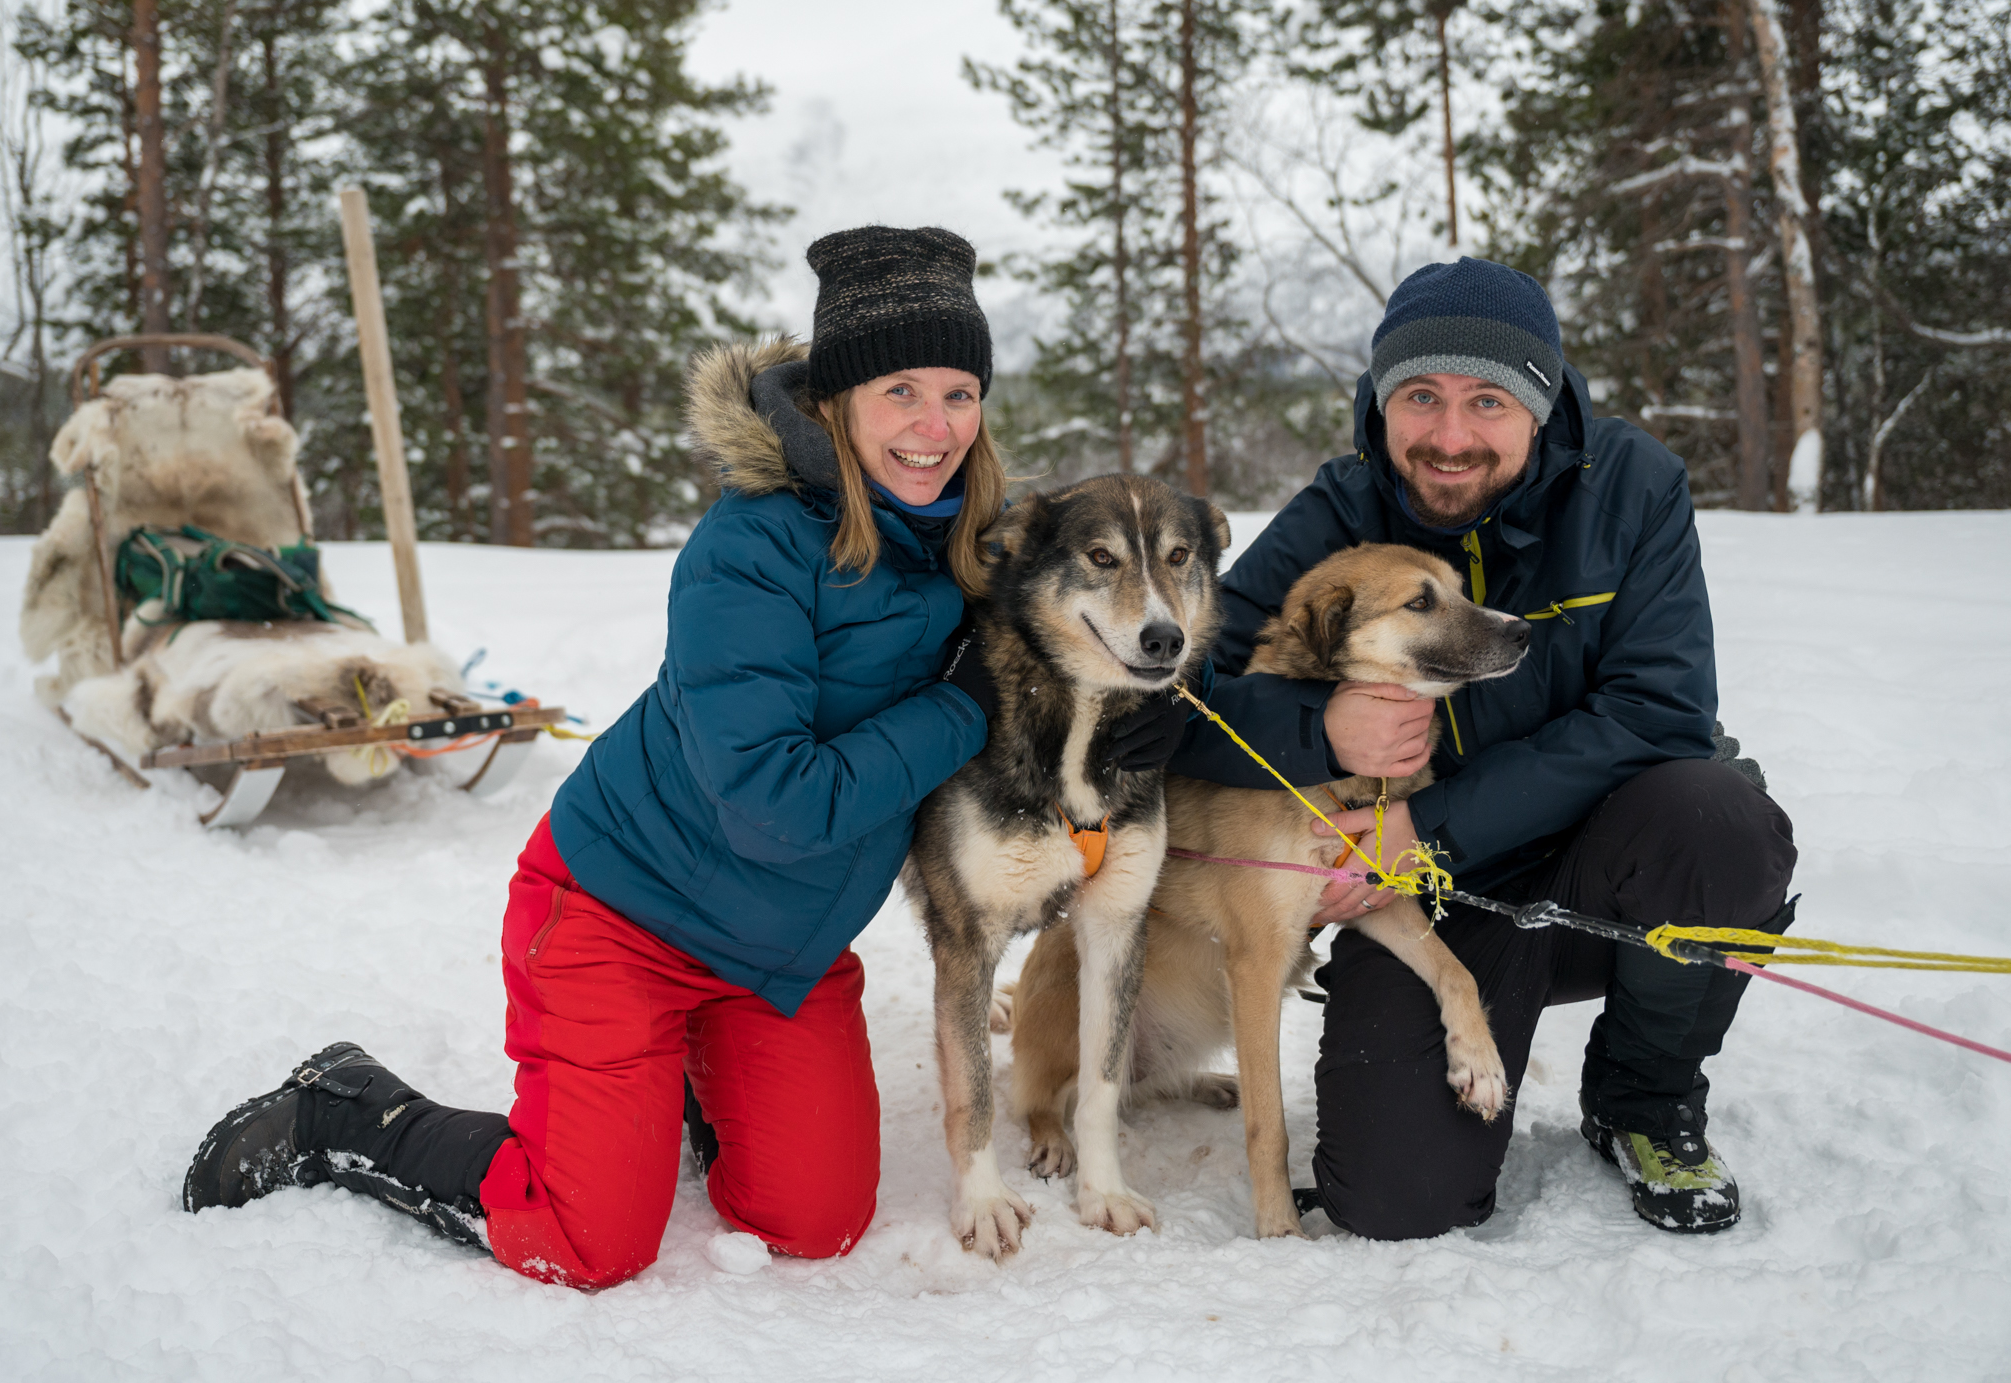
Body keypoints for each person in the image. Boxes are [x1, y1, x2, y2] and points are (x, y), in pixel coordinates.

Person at [181, 227, 1191, 1287]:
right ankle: (347, 1108)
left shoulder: (977, 540)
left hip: (777, 956)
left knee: (814, 1221)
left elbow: (1121, 609)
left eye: (957, 392)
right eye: (899, 390)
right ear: (834, 398)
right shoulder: (748, 548)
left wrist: (1151, 711)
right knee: (585, 1241)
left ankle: (689, 1085)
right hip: (622, 915)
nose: (932, 426)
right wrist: (961, 706)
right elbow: (775, 804)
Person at [1168, 257, 1797, 1238]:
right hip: (1433, 900)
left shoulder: (1630, 488)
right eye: (1418, 397)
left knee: (1713, 819)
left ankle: (1640, 1101)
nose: (1449, 436)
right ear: (1380, 405)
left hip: (1597, 860)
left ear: (1538, 408)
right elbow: (1173, 702)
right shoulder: (1336, 517)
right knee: (1388, 1200)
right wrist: (1316, 728)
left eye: (1487, 401)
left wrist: (1428, 824)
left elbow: (1660, 710)